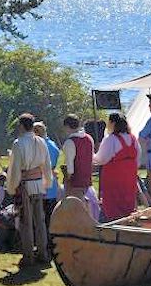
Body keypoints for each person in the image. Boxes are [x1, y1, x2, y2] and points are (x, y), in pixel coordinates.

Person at [6, 113, 53, 267]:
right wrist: (47, 182)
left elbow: (14, 169)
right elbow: (47, 164)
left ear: (21, 126)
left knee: (27, 221)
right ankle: (43, 253)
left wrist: (12, 187)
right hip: (38, 184)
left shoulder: (18, 143)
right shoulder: (41, 141)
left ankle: (28, 256)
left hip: (26, 185)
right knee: (39, 220)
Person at [93, 113, 139, 221]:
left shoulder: (111, 139)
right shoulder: (133, 139)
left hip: (114, 178)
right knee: (127, 202)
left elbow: (101, 159)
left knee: (113, 206)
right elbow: (138, 157)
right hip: (129, 177)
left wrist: (92, 156)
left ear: (112, 123)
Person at [33, 122, 61, 230]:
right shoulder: (53, 144)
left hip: (41, 182)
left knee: (41, 218)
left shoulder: (39, 145)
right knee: (51, 216)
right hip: (52, 183)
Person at [61, 114, 94, 200]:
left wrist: (67, 181)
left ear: (67, 126)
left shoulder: (70, 142)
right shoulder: (89, 138)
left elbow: (70, 168)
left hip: (75, 183)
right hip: (87, 181)